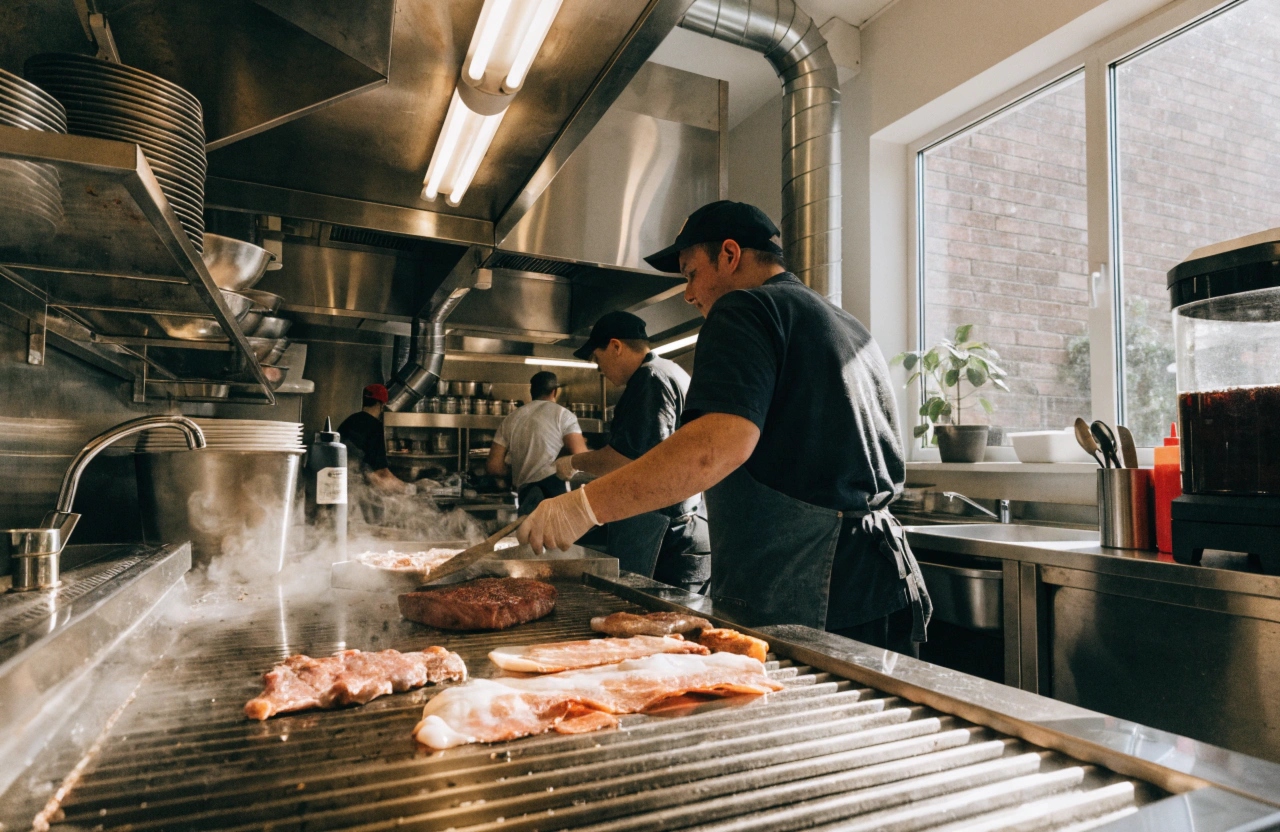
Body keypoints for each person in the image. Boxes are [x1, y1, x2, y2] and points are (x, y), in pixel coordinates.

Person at [517, 200, 931, 656]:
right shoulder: (847, 325)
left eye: (691, 273)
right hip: (885, 580)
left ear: (730, 255)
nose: (689, 294)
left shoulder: (744, 308)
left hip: (810, 584)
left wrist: (583, 506)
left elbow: (712, 448)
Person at [554, 311, 710, 592]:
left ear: (615, 346)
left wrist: (574, 462)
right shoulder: (669, 370)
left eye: (598, 359)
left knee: (656, 624)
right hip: (681, 528)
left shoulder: (649, 380)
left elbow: (624, 459)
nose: (600, 370)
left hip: (664, 535)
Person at [487, 371, 588, 516]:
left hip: (525, 495)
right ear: (555, 391)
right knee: (555, 537)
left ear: (531, 392)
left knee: (529, 536)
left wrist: (515, 471)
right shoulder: (563, 415)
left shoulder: (511, 418)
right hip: (556, 494)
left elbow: (494, 466)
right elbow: (581, 456)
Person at [337, 383, 415, 495]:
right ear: (381, 405)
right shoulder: (375, 428)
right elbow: (382, 474)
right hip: (361, 493)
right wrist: (409, 489)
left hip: (341, 488)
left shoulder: (349, 421)